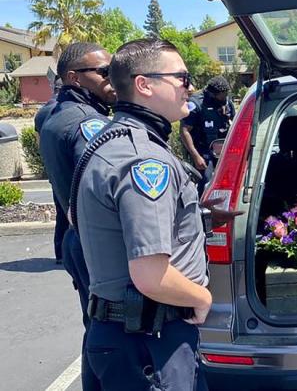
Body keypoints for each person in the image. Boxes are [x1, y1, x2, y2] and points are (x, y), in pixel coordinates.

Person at [73, 39, 239, 390]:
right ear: (144, 84)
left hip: (126, 336)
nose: (189, 87)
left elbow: (93, 222)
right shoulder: (144, 160)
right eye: (181, 77)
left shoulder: (108, 141)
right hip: (150, 343)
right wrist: (202, 298)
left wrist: (199, 218)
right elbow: (151, 274)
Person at [39, 42, 115, 391]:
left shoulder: (54, 113)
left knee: (95, 325)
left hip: (76, 239)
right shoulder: (89, 124)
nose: (110, 79)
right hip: (95, 244)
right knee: (110, 333)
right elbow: (103, 187)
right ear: (73, 77)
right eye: (102, 72)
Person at [180, 75, 235, 195]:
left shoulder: (227, 102)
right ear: (212, 94)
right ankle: (202, 210)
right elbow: (184, 131)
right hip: (203, 150)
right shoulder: (195, 103)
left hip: (223, 149)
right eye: (222, 95)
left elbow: (234, 123)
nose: (225, 98)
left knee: (229, 182)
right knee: (206, 181)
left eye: (226, 94)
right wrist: (195, 156)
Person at [34, 77, 67, 264]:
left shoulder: (41, 112)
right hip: (70, 168)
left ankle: (60, 253)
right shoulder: (64, 111)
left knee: (60, 210)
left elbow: (40, 143)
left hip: (53, 168)